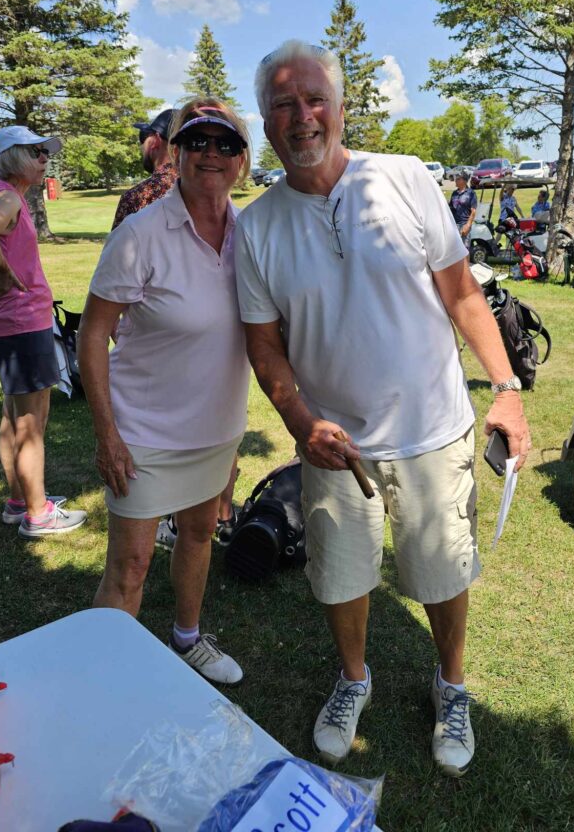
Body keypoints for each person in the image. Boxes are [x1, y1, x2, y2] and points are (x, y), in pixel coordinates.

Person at [234, 40, 531, 776]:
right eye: (283, 105)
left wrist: (507, 389)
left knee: (442, 573)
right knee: (341, 577)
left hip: (433, 430)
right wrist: (300, 422)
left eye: (314, 100)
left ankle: (451, 686)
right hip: (335, 445)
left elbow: (462, 293)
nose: (302, 117)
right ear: (266, 124)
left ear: (340, 108)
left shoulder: (402, 179)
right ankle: (354, 678)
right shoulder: (257, 226)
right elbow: (264, 346)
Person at [78, 99, 251, 685]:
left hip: (216, 432)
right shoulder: (141, 233)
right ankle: (104, 681)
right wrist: (107, 435)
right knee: (130, 565)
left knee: (200, 535)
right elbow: (92, 334)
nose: (211, 154)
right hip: (143, 434)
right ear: (175, 153)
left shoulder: (248, 235)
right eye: (197, 141)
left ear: (242, 161)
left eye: (225, 144)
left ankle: (187, 639)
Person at [0, 126, 87, 538]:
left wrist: (3, 273)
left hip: (8, 323)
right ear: (16, 156)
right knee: (31, 422)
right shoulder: (5, 197)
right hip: (23, 322)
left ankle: (20, 501)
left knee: (12, 416)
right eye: (38, 152)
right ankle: (39, 515)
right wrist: (5, 273)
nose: (45, 159)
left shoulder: (3, 195)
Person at [111, 108, 178, 230]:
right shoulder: (203, 194)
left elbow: (118, 248)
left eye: (144, 137)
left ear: (156, 140)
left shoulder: (136, 197)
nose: (142, 146)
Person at [448, 171, 478, 249]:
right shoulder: (454, 193)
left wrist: (468, 225)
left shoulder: (471, 193)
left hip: (464, 224)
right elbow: (450, 209)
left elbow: (473, 211)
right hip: (454, 225)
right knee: (455, 250)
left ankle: (466, 262)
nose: (456, 180)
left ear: (464, 181)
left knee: (465, 249)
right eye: (456, 178)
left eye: (458, 179)